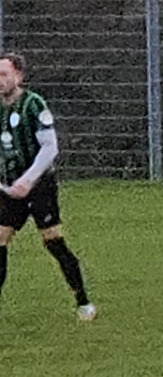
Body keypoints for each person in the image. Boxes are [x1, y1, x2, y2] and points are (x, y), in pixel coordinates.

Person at [0, 49, 95, 320]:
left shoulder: (33, 104)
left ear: (18, 75)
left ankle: (83, 301)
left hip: (39, 186)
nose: (0, 80)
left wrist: (27, 180)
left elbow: (50, 147)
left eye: (4, 74)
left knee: (52, 241)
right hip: (9, 189)